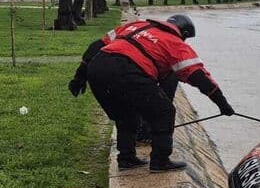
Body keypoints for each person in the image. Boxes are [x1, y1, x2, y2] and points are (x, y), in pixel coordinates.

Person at [67, 14, 233, 172]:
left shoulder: (135, 26)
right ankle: (160, 161)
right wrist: (222, 104)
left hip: (98, 67)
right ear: (184, 33)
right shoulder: (176, 44)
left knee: (126, 115)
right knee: (164, 112)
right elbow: (199, 77)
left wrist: (79, 77)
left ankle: (126, 158)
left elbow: (95, 46)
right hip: (129, 70)